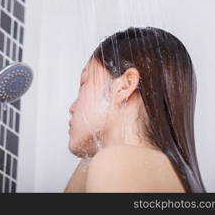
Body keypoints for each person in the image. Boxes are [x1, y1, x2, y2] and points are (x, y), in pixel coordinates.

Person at [64, 27, 206, 193]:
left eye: (83, 83)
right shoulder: (171, 173)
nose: (72, 108)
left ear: (124, 86)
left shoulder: (117, 163)